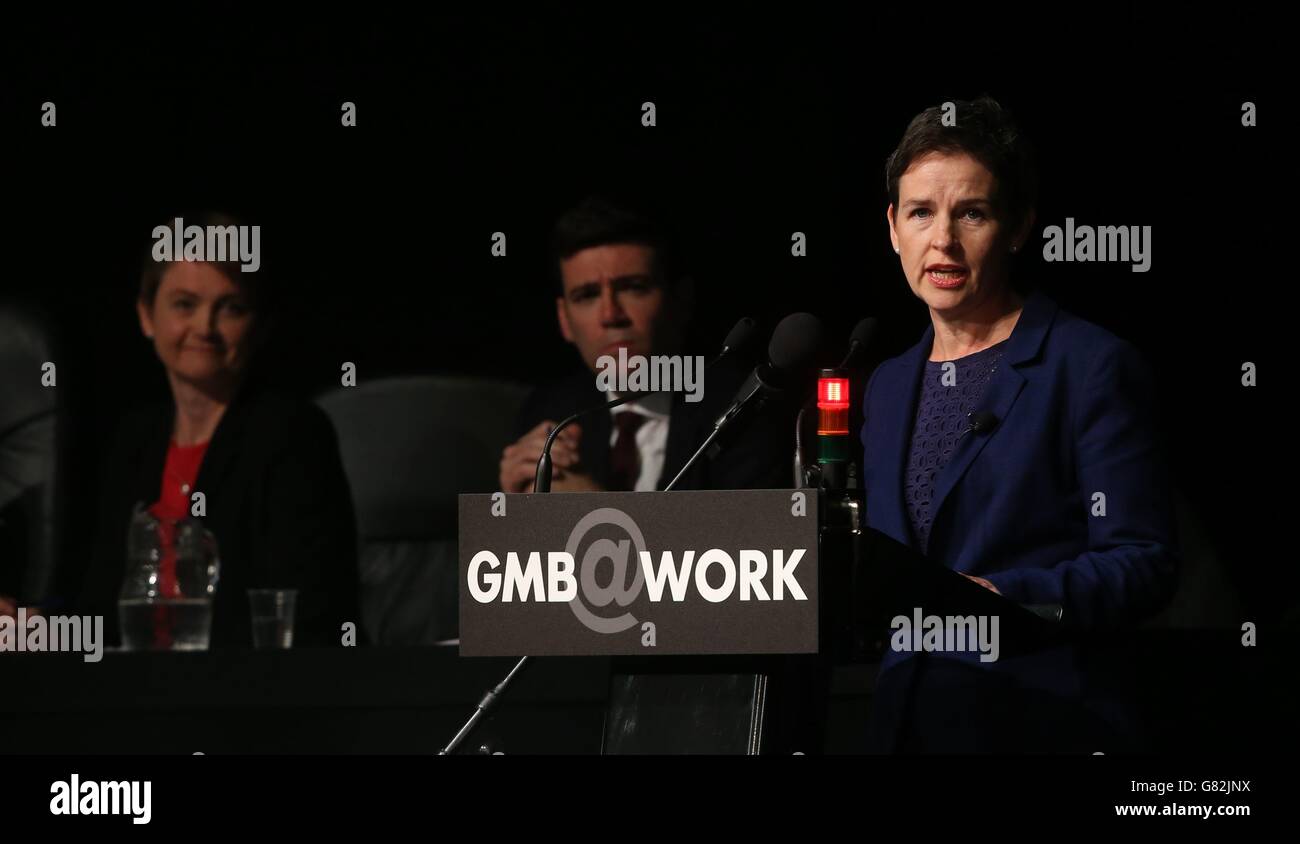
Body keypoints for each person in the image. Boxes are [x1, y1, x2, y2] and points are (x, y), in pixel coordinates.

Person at [860, 97, 1179, 752]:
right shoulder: (887, 385)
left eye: (970, 212)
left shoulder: (1089, 364)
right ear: (893, 227)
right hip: (905, 726)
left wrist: (1001, 598)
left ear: (1017, 225)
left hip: (1040, 722)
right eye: (921, 212)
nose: (942, 240)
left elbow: (1143, 563)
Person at [79, 212, 360, 648]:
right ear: (146, 315)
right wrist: (36, 626)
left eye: (230, 308)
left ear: (259, 326)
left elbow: (308, 618)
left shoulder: (292, 435)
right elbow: (98, 610)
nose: (205, 329)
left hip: (247, 703)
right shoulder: (132, 440)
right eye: (184, 304)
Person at [500, 195, 792, 495]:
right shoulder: (550, 411)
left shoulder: (745, 408)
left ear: (680, 301)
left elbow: (742, 539)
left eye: (633, 288)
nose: (611, 315)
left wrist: (585, 505)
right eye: (587, 295)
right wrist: (514, 515)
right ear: (564, 319)